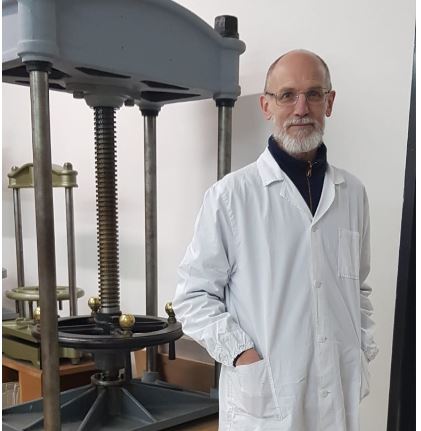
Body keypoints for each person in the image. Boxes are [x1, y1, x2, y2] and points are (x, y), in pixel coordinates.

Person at [172, 49, 378, 431]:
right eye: (287, 95)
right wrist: (242, 354)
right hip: (265, 403)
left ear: (329, 102)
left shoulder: (352, 194)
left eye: (313, 94)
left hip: (339, 393)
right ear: (266, 106)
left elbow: (358, 289)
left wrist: (362, 348)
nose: (301, 108)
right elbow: (193, 298)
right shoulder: (231, 197)